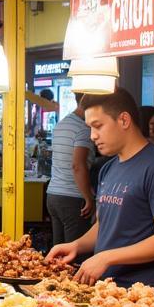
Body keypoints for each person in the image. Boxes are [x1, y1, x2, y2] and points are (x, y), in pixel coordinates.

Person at [47, 88, 154, 292]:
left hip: (149, 294)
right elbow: (106, 225)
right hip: (109, 290)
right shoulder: (108, 168)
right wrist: (76, 246)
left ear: (123, 120)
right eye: (90, 128)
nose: (93, 136)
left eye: (98, 126)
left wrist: (106, 257)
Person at [45, 95, 95, 246]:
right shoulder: (83, 128)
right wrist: (88, 197)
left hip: (53, 195)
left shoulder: (61, 124)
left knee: (59, 251)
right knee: (75, 254)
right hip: (72, 198)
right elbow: (77, 165)